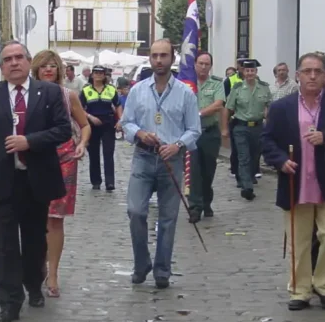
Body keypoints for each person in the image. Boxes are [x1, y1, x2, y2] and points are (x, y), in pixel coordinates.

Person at [0, 41, 71, 322]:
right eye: (7, 59)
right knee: (6, 242)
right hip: (4, 179)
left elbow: (62, 130)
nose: (13, 63)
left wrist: (30, 141)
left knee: (35, 240)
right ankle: (9, 301)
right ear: (1, 66)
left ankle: (34, 284)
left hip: (36, 178)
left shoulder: (48, 92)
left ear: (28, 60)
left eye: (18, 57)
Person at [262, 52, 325, 311]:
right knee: (300, 240)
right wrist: (280, 161)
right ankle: (300, 291)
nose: (312, 76)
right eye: (306, 71)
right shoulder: (281, 107)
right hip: (296, 183)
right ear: (297, 75)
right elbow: (267, 141)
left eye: (317, 71)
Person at [120, 39, 201, 289]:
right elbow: (126, 123)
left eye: (163, 55)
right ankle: (141, 263)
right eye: (154, 55)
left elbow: (194, 130)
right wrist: (140, 134)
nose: (158, 60)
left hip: (171, 161)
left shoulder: (185, 93)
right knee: (135, 212)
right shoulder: (138, 90)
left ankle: (162, 270)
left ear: (172, 58)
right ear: (149, 58)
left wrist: (177, 144)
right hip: (143, 158)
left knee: (168, 218)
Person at [31, 49, 92, 298]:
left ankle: (53, 272)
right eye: (43, 65)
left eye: (52, 66)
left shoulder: (69, 96)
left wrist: (82, 144)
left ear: (59, 70)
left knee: (55, 219)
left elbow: (84, 125)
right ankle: (37, 267)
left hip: (64, 159)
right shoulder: (28, 97)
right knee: (34, 218)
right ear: (35, 69)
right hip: (34, 159)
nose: (48, 69)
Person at [224, 58, 271, 200]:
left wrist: (269, 125)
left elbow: (268, 107)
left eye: (252, 70)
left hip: (258, 127)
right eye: (247, 70)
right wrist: (225, 128)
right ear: (243, 72)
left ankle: (246, 177)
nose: (250, 73)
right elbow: (228, 109)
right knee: (243, 156)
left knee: (254, 156)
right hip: (241, 126)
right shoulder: (237, 88)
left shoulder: (264, 87)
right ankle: (247, 187)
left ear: (256, 72)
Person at [189, 51, 225, 222]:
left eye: (207, 64)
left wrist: (198, 113)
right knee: (194, 170)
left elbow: (218, 104)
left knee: (208, 171)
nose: (203, 67)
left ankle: (206, 201)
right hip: (191, 134)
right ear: (195, 64)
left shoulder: (217, 84)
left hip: (210, 132)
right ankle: (195, 207)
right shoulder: (187, 84)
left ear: (210, 66)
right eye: (200, 63)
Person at [81, 65, 123, 191]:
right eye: (96, 72)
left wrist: (120, 120)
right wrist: (90, 117)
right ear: (92, 75)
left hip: (108, 123)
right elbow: (79, 109)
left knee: (108, 153)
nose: (98, 75)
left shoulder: (111, 89)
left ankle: (110, 182)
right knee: (93, 154)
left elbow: (118, 105)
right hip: (92, 124)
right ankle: (96, 181)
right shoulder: (85, 90)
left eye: (101, 73)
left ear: (104, 75)